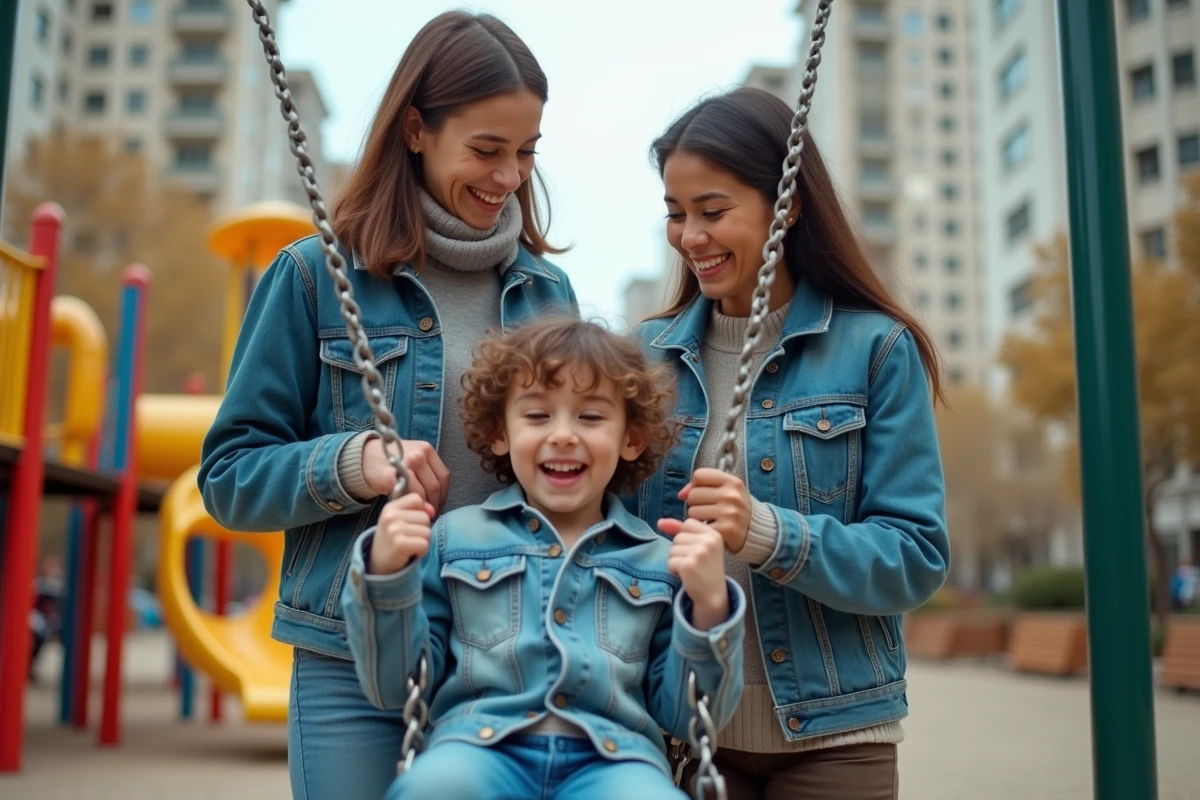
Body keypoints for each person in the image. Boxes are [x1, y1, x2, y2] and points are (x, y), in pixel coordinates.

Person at [197, 12, 577, 798]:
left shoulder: (547, 295)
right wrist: (358, 461)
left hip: (504, 656)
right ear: (415, 129)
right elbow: (230, 476)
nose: (509, 176)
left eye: (526, 152)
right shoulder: (315, 277)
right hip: (349, 648)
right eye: (486, 150)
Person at [632, 87, 950, 799]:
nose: (691, 237)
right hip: (689, 732)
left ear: (789, 203)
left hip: (836, 738)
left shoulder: (875, 350)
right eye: (676, 215)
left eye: (713, 212)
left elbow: (916, 557)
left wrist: (767, 533)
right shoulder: (642, 360)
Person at [341, 318, 746, 799]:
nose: (563, 435)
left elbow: (690, 715)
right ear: (500, 433)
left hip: (615, 760)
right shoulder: (453, 539)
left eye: (591, 417)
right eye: (536, 416)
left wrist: (709, 607)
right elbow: (394, 687)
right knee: (434, 788)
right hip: (478, 748)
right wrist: (387, 573)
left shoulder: (660, 560)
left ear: (630, 438)